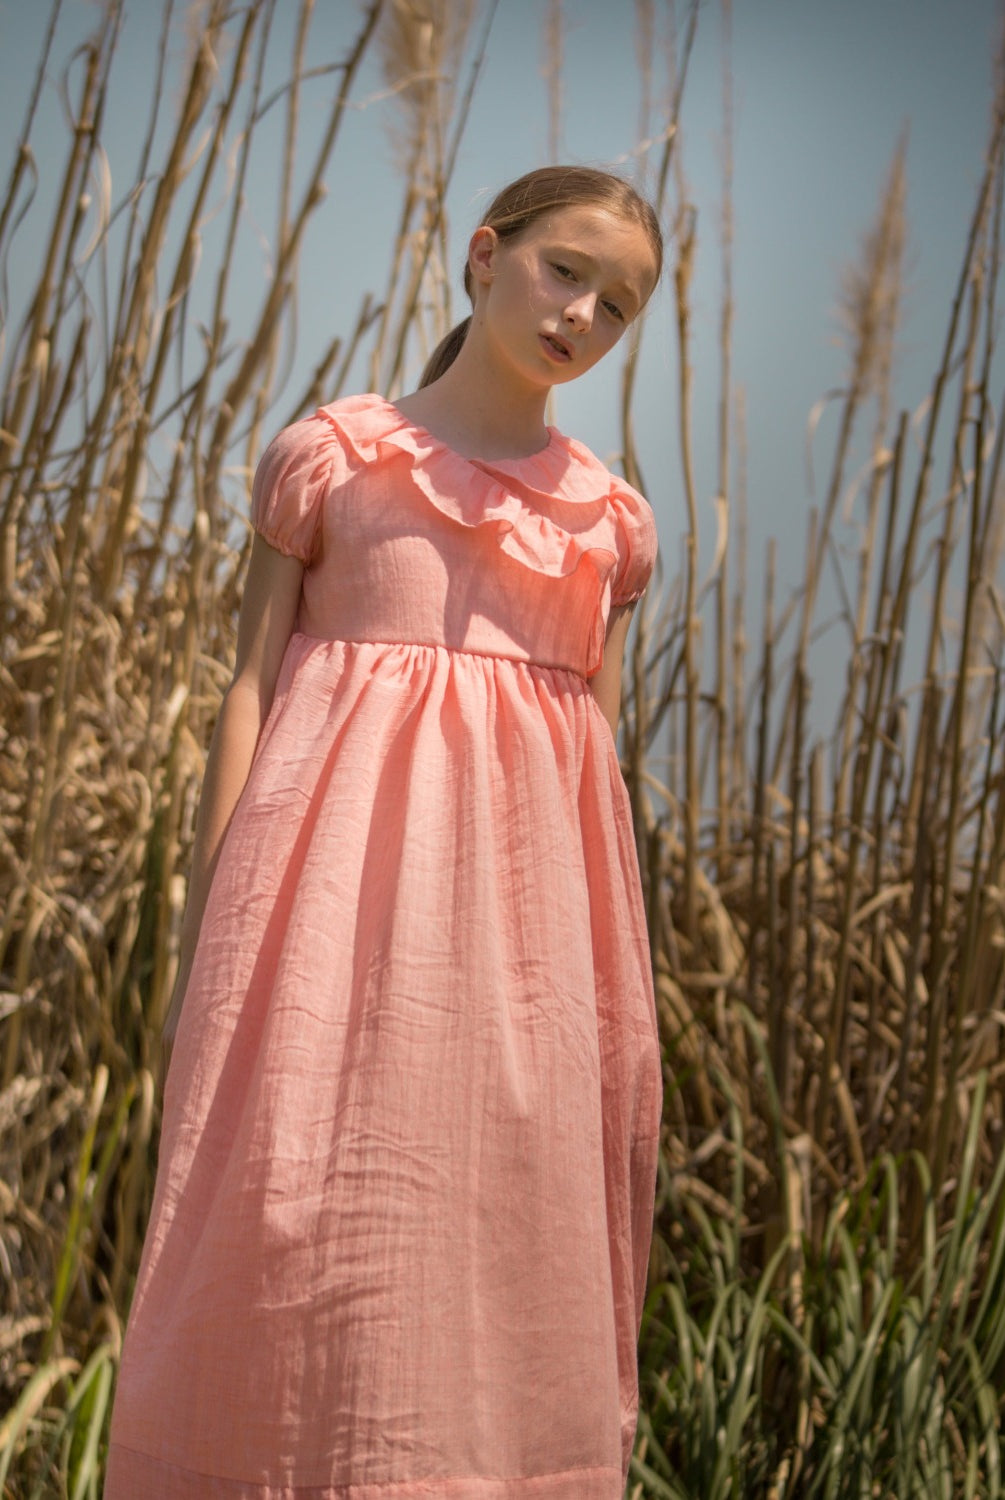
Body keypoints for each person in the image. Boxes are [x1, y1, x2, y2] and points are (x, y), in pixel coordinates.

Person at [105, 164, 665, 1500]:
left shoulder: (609, 525)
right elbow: (250, 686)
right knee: (296, 1208)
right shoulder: (337, 458)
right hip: (322, 912)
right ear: (485, 256)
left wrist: (601, 993)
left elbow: (596, 768)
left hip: (522, 954)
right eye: (564, 270)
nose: (583, 313)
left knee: (496, 1222)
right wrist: (213, 916)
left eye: (619, 304)